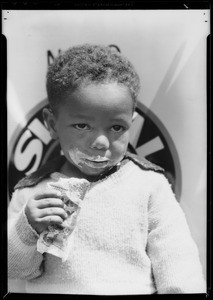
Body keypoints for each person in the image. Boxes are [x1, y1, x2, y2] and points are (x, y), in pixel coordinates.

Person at [8, 44, 206, 295]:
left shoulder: (149, 186)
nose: (101, 142)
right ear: (52, 124)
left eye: (116, 128)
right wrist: (27, 228)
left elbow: (179, 264)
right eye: (82, 126)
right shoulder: (32, 192)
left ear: (130, 125)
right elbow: (14, 269)